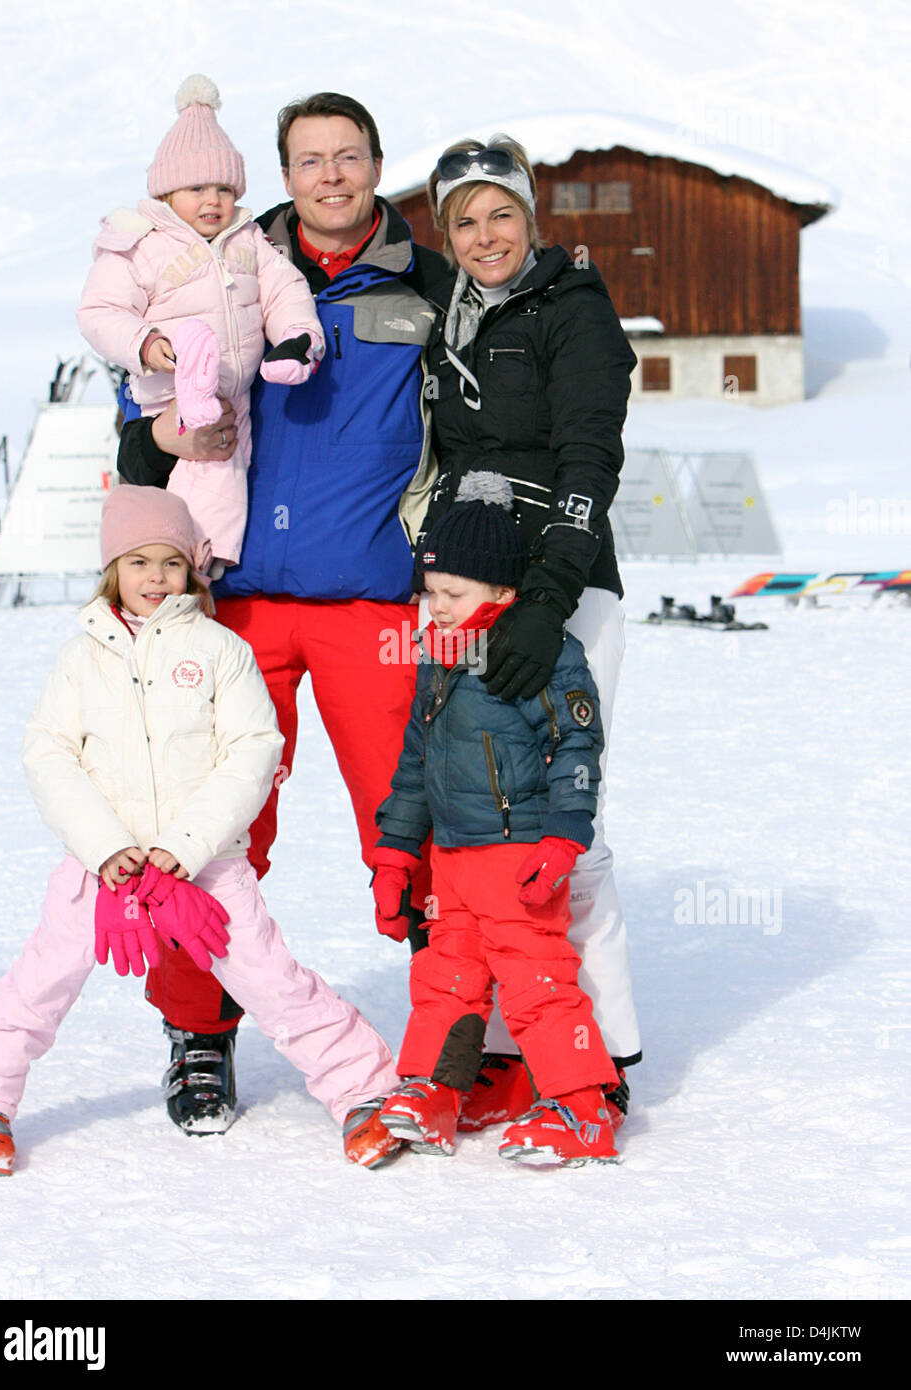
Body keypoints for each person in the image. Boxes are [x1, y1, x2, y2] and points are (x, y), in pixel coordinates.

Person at [115, 94, 448, 1134]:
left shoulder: (429, 284)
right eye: (311, 160)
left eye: (351, 157)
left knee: (414, 824)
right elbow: (138, 431)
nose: (333, 177)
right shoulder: (218, 262)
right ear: (283, 175)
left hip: (372, 602)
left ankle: (452, 1030)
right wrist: (164, 434)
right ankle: (199, 1033)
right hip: (236, 601)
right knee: (207, 825)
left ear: (380, 166)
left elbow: (481, 431)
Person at [0, 486, 403, 1176]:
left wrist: (183, 848)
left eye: (169, 561)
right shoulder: (81, 660)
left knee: (272, 980)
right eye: (138, 562)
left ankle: (363, 1091)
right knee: (41, 982)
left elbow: (255, 750)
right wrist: (106, 849)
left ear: (191, 570)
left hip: (205, 869)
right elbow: (49, 756)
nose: (155, 578)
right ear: (113, 570)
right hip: (99, 870)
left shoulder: (221, 649)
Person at [415, 136, 643, 1130]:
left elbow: (590, 456)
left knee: (556, 821)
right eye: (463, 220)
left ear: (531, 218)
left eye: (499, 213)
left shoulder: (573, 310)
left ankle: (610, 1047)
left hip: (563, 589)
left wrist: (548, 601)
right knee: (479, 818)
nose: (483, 234)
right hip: (465, 586)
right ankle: (508, 1048)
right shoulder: (448, 319)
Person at [372, 473, 620, 1166]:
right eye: (428, 593)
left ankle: (581, 1108)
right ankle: (432, 1090)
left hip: (517, 857)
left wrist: (565, 835)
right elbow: (415, 762)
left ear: (503, 593)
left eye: (453, 594)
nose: (436, 607)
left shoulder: (542, 656)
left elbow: (577, 743)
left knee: (537, 980)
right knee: (445, 976)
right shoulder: (437, 658)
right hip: (451, 860)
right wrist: (395, 854)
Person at [78, 75, 324, 569]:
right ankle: (186, 568)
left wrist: (299, 339)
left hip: (233, 393)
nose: (213, 201)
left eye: (224, 189)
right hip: (171, 387)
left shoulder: (247, 241)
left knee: (227, 482)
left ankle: (202, 567)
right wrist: (146, 343)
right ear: (168, 193)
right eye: (196, 188)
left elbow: (285, 291)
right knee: (197, 483)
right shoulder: (141, 242)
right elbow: (99, 310)